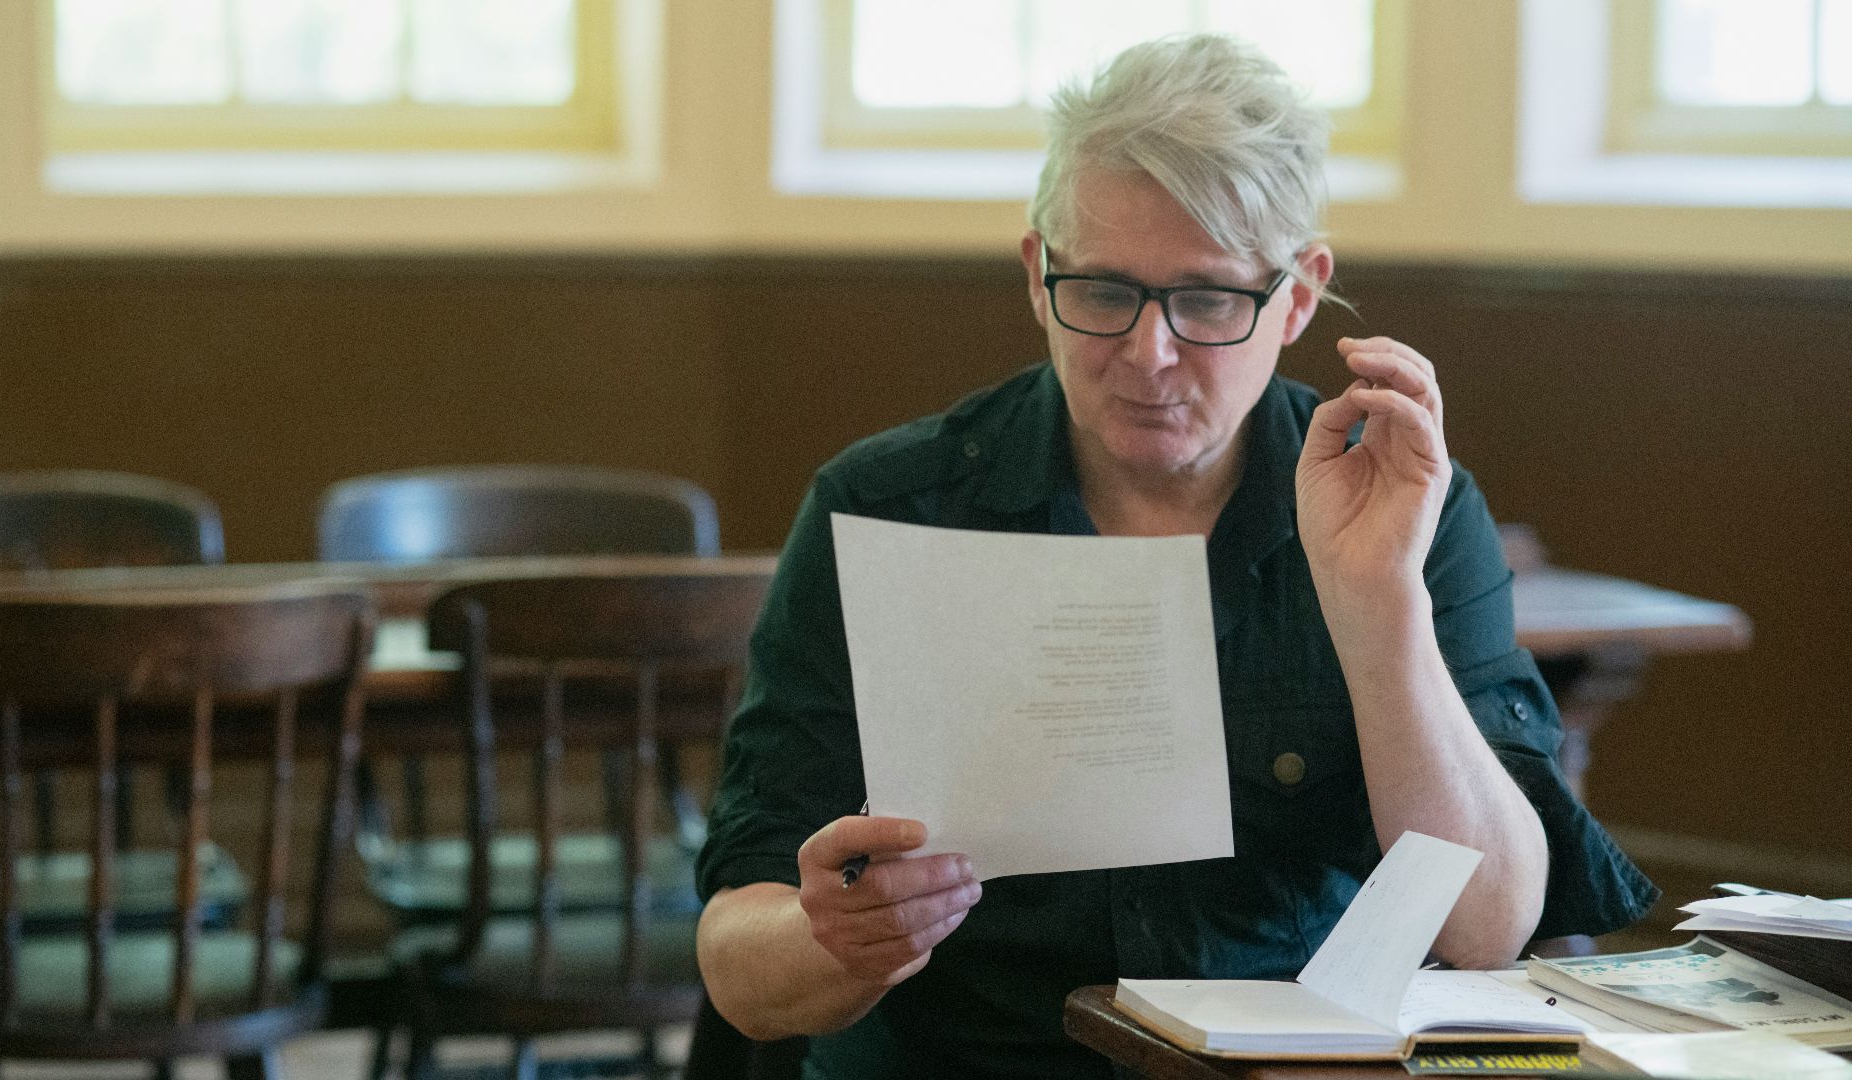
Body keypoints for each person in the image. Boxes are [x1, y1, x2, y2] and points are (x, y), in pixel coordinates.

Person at [694, 32, 1657, 1080]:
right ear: (1037, 275)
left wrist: (1380, 608)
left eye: (1206, 301)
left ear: (1296, 298)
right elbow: (740, 973)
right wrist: (835, 939)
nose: (1148, 356)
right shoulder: (890, 507)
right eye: (1104, 292)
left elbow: (1488, 930)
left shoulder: (1402, 501)